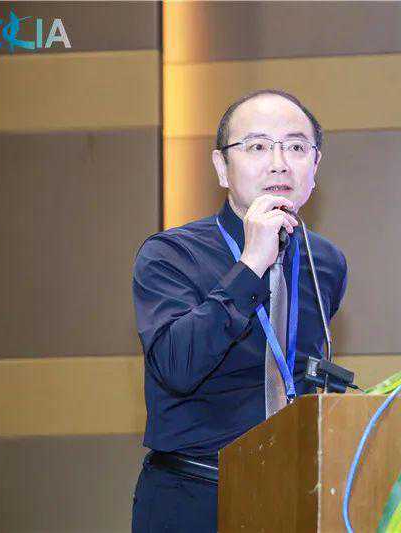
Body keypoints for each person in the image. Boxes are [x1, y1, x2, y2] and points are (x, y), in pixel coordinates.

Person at [130, 89, 348, 532]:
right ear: (221, 167)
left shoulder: (326, 262)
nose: (279, 163)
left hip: (295, 493)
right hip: (195, 496)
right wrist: (250, 266)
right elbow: (176, 367)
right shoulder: (170, 256)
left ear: (315, 166)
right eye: (258, 146)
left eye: (296, 147)